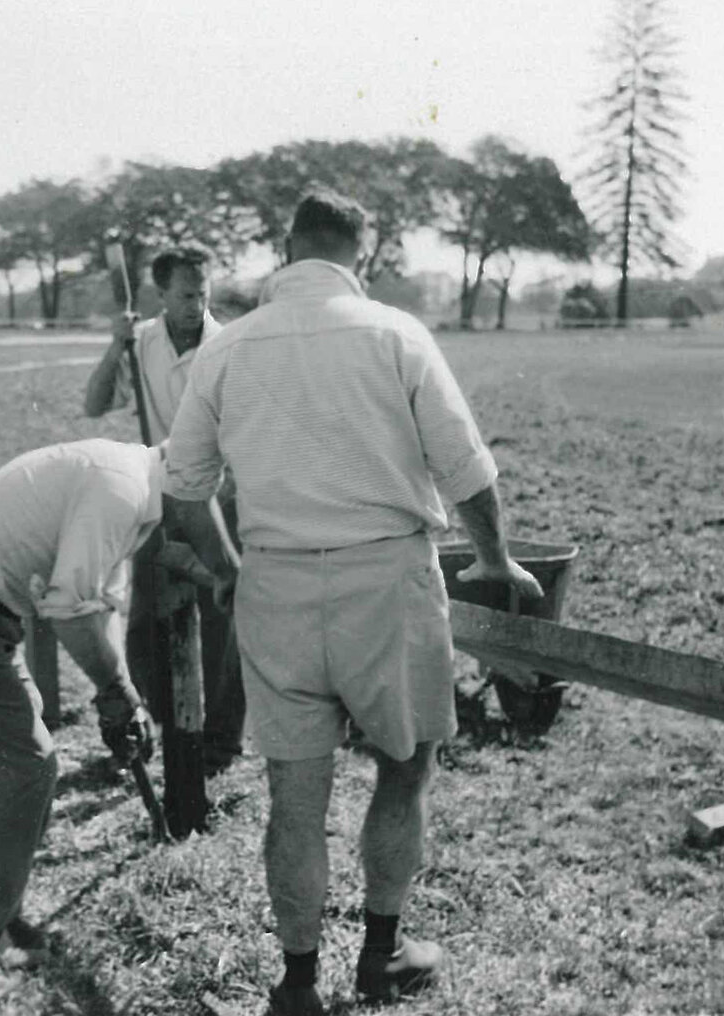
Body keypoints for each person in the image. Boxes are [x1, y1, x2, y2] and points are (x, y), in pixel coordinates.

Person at [165, 190, 544, 1016]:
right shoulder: (395, 333)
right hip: (386, 579)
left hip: (277, 582)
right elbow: (469, 472)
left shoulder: (228, 349)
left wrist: (230, 573)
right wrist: (496, 560)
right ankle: (382, 954)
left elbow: (185, 488)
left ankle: (298, 985)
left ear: (288, 248)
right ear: (358, 255)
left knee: (295, 799)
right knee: (405, 769)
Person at [0, 438, 231, 985]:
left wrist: (122, 692)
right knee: (20, 767)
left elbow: (99, 603)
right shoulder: (120, 488)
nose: (204, 527)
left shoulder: (132, 488)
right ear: (189, 486)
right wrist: (113, 688)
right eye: (208, 505)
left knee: (11, 765)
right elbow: (67, 609)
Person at [84, 245, 245, 773]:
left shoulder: (228, 346)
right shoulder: (142, 343)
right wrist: (115, 347)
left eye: (203, 293)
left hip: (216, 497)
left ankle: (220, 742)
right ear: (160, 294)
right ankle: (155, 724)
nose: (196, 304)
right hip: (153, 492)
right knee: (148, 618)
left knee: (222, 617)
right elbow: (95, 405)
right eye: (185, 295)